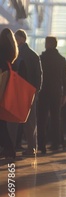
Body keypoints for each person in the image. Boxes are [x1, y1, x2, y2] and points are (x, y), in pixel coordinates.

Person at [13, 29, 42, 156]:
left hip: (20, 90)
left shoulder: (18, 54)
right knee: (31, 120)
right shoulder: (34, 55)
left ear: (21, 39)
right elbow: (39, 75)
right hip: (31, 91)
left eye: (16, 38)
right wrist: (36, 90)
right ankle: (32, 147)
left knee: (19, 119)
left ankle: (15, 145)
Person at [37, 36, 66, 154]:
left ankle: (41, 144)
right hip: (56, 92)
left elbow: (39, 75)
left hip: (44, 91)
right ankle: (56, 143)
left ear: (48, 44)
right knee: (56, 118)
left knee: (42, 119)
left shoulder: (42, 58)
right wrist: (65, 93)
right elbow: (65, 78)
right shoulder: (61, 59)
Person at [0, 28, 18, 160]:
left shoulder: (1, 56)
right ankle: (8, 149)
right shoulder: (11, 54)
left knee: (2, 124)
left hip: (1, 90)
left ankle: (9, 149)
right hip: (5, 91)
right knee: (2, 122)